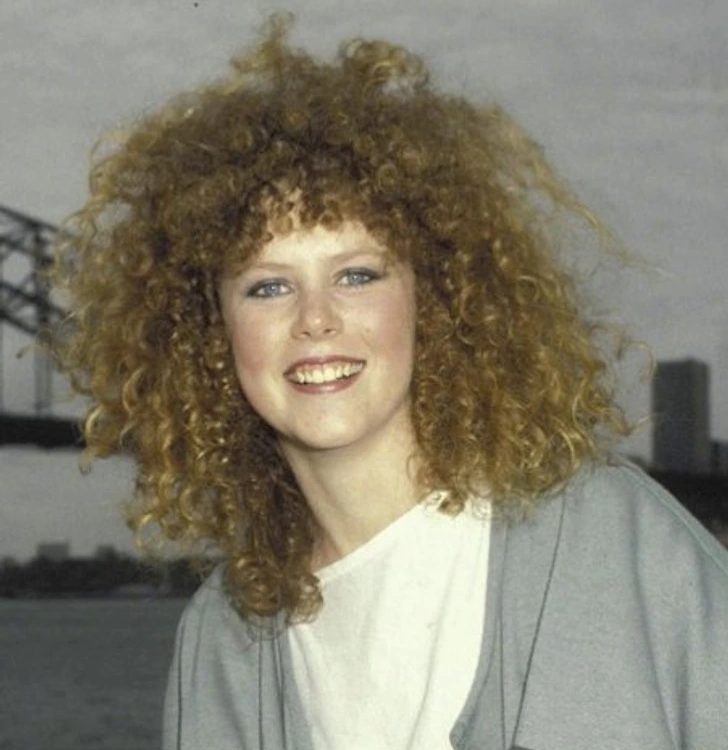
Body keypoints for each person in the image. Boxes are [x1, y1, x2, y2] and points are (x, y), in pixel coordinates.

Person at [51, 15, 728, 750]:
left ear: (431, 300)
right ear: (210, 334)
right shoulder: (221, 646)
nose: (315, 319)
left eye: (357, 275)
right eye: (267, 287)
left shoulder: (612, 541)